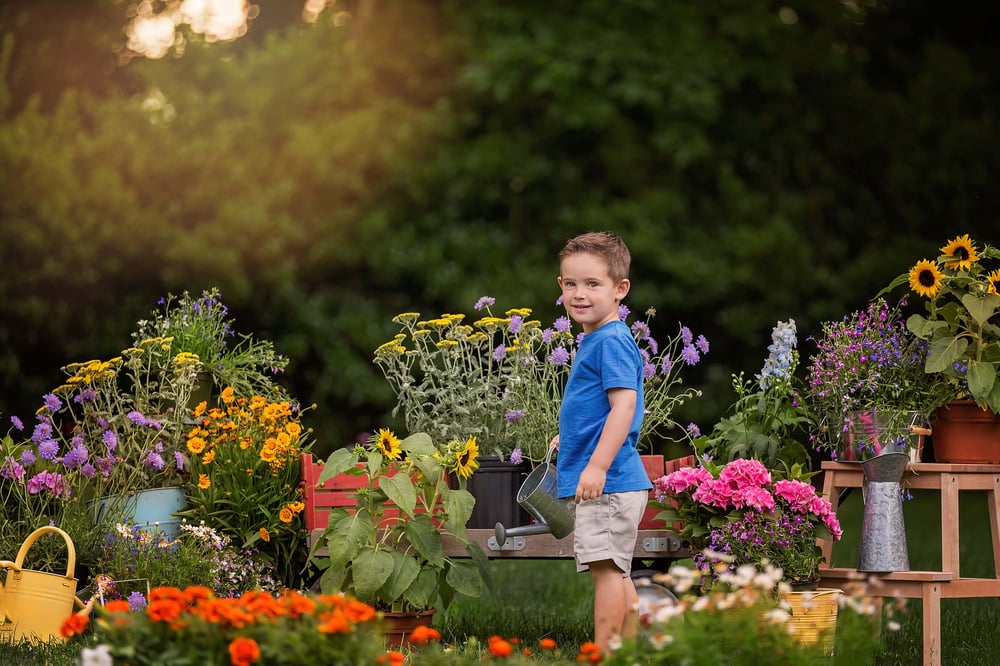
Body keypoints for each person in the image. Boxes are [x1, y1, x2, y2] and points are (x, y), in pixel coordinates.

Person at [550, 230, 652, 652]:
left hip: (609, 482)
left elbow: (624, 408)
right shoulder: (597, 338)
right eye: (571, 283)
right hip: (612, 482)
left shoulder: (610, 340)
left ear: (619, 289)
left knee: (607, 572)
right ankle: (629, 652)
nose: (579, 294)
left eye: (593, 284)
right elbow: (598, 407)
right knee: (616, 571)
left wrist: (597, 465)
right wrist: (569, 436)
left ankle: (606, 653)